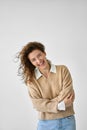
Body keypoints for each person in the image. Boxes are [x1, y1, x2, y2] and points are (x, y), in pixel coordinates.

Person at [17, 41, 76, 130]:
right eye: (33, 59)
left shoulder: (62, 70)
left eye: (39, 55)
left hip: (67, 120)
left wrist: (47, 105)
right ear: (31, 63)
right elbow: (38, 105)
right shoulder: (31, 81)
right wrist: (61, 105)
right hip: (46, 124)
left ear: (44, 53)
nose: (38, 60)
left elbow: (67, 94)